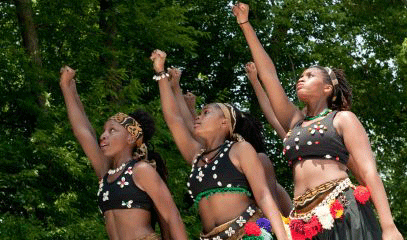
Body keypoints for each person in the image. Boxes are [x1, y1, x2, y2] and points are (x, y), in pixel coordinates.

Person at [233, 3, 404, 240]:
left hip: (343, 211)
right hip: (303, 219)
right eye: (300, 76)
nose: (301, 79)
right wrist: (245, 25)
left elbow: (369, 172)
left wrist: (388, 227)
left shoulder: (343, 119)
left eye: (310, 75)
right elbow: (269, 75)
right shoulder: (295, 121)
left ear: (327, 88)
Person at [151, 49, 289, 240]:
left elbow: (264, 196)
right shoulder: (195, 155)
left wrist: (282, 236)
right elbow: (174, 119)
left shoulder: (240, 150)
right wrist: (160, 73)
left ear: (224, 122)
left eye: (206, 112)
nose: (198, 117)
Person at [59, 66, 187, 240]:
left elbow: (173, 218)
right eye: (104, 131)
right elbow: (83, 131)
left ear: (130, 138)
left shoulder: (141, 170)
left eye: (112, 131)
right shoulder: (106, 172)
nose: (103, 136)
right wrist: (67, 87)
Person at [169, 65, 293, 217]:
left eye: (206, 113)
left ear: (226, 126)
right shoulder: (214, 157)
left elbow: (272, 206)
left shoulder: (258, 159)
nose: (200, 119)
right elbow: (189, 128)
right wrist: (177, 90)